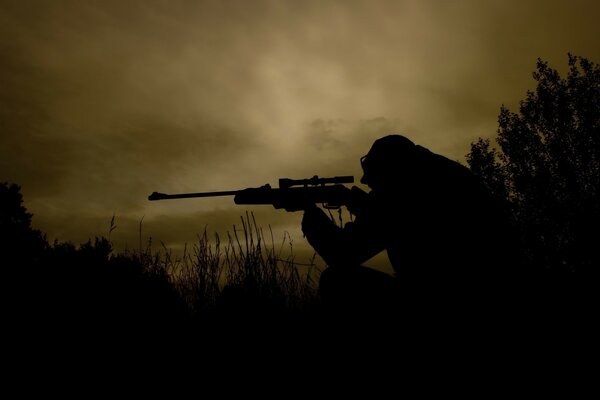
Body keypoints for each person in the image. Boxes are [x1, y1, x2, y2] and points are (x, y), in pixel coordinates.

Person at [297, 135, 521, 320]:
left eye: (374, 178)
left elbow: (343, 253)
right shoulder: (443, 173)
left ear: (390, 170)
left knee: (338, 281)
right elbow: (399, 221)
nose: (367, 184)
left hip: (442, 301)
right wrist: (358, 203)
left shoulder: (402, 190)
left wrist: (311, 212)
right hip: (497, 293)